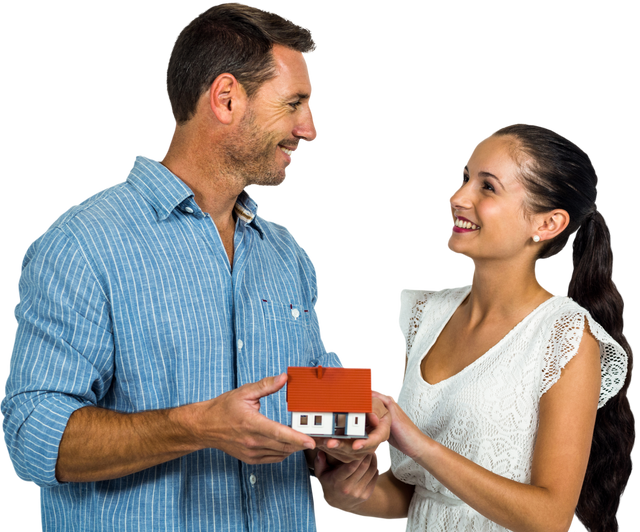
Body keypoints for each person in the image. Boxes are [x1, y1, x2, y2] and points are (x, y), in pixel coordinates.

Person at [1, 2, 389, 530]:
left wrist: (354, 427)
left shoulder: (286, 251)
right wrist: (197, 426)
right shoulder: (83, 243)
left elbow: (308, 393)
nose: (311, 129)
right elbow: (32, 437)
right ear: (226, 99)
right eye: (295, 103)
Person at [313, 122, 637, 532]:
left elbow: (550, 518)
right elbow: (417, 495)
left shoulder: (567, 337)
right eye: (465, 178)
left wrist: (417, 442)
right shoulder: (425, 314)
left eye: (488, 187)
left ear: (548, 223)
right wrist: (347, 494)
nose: (457, 197)